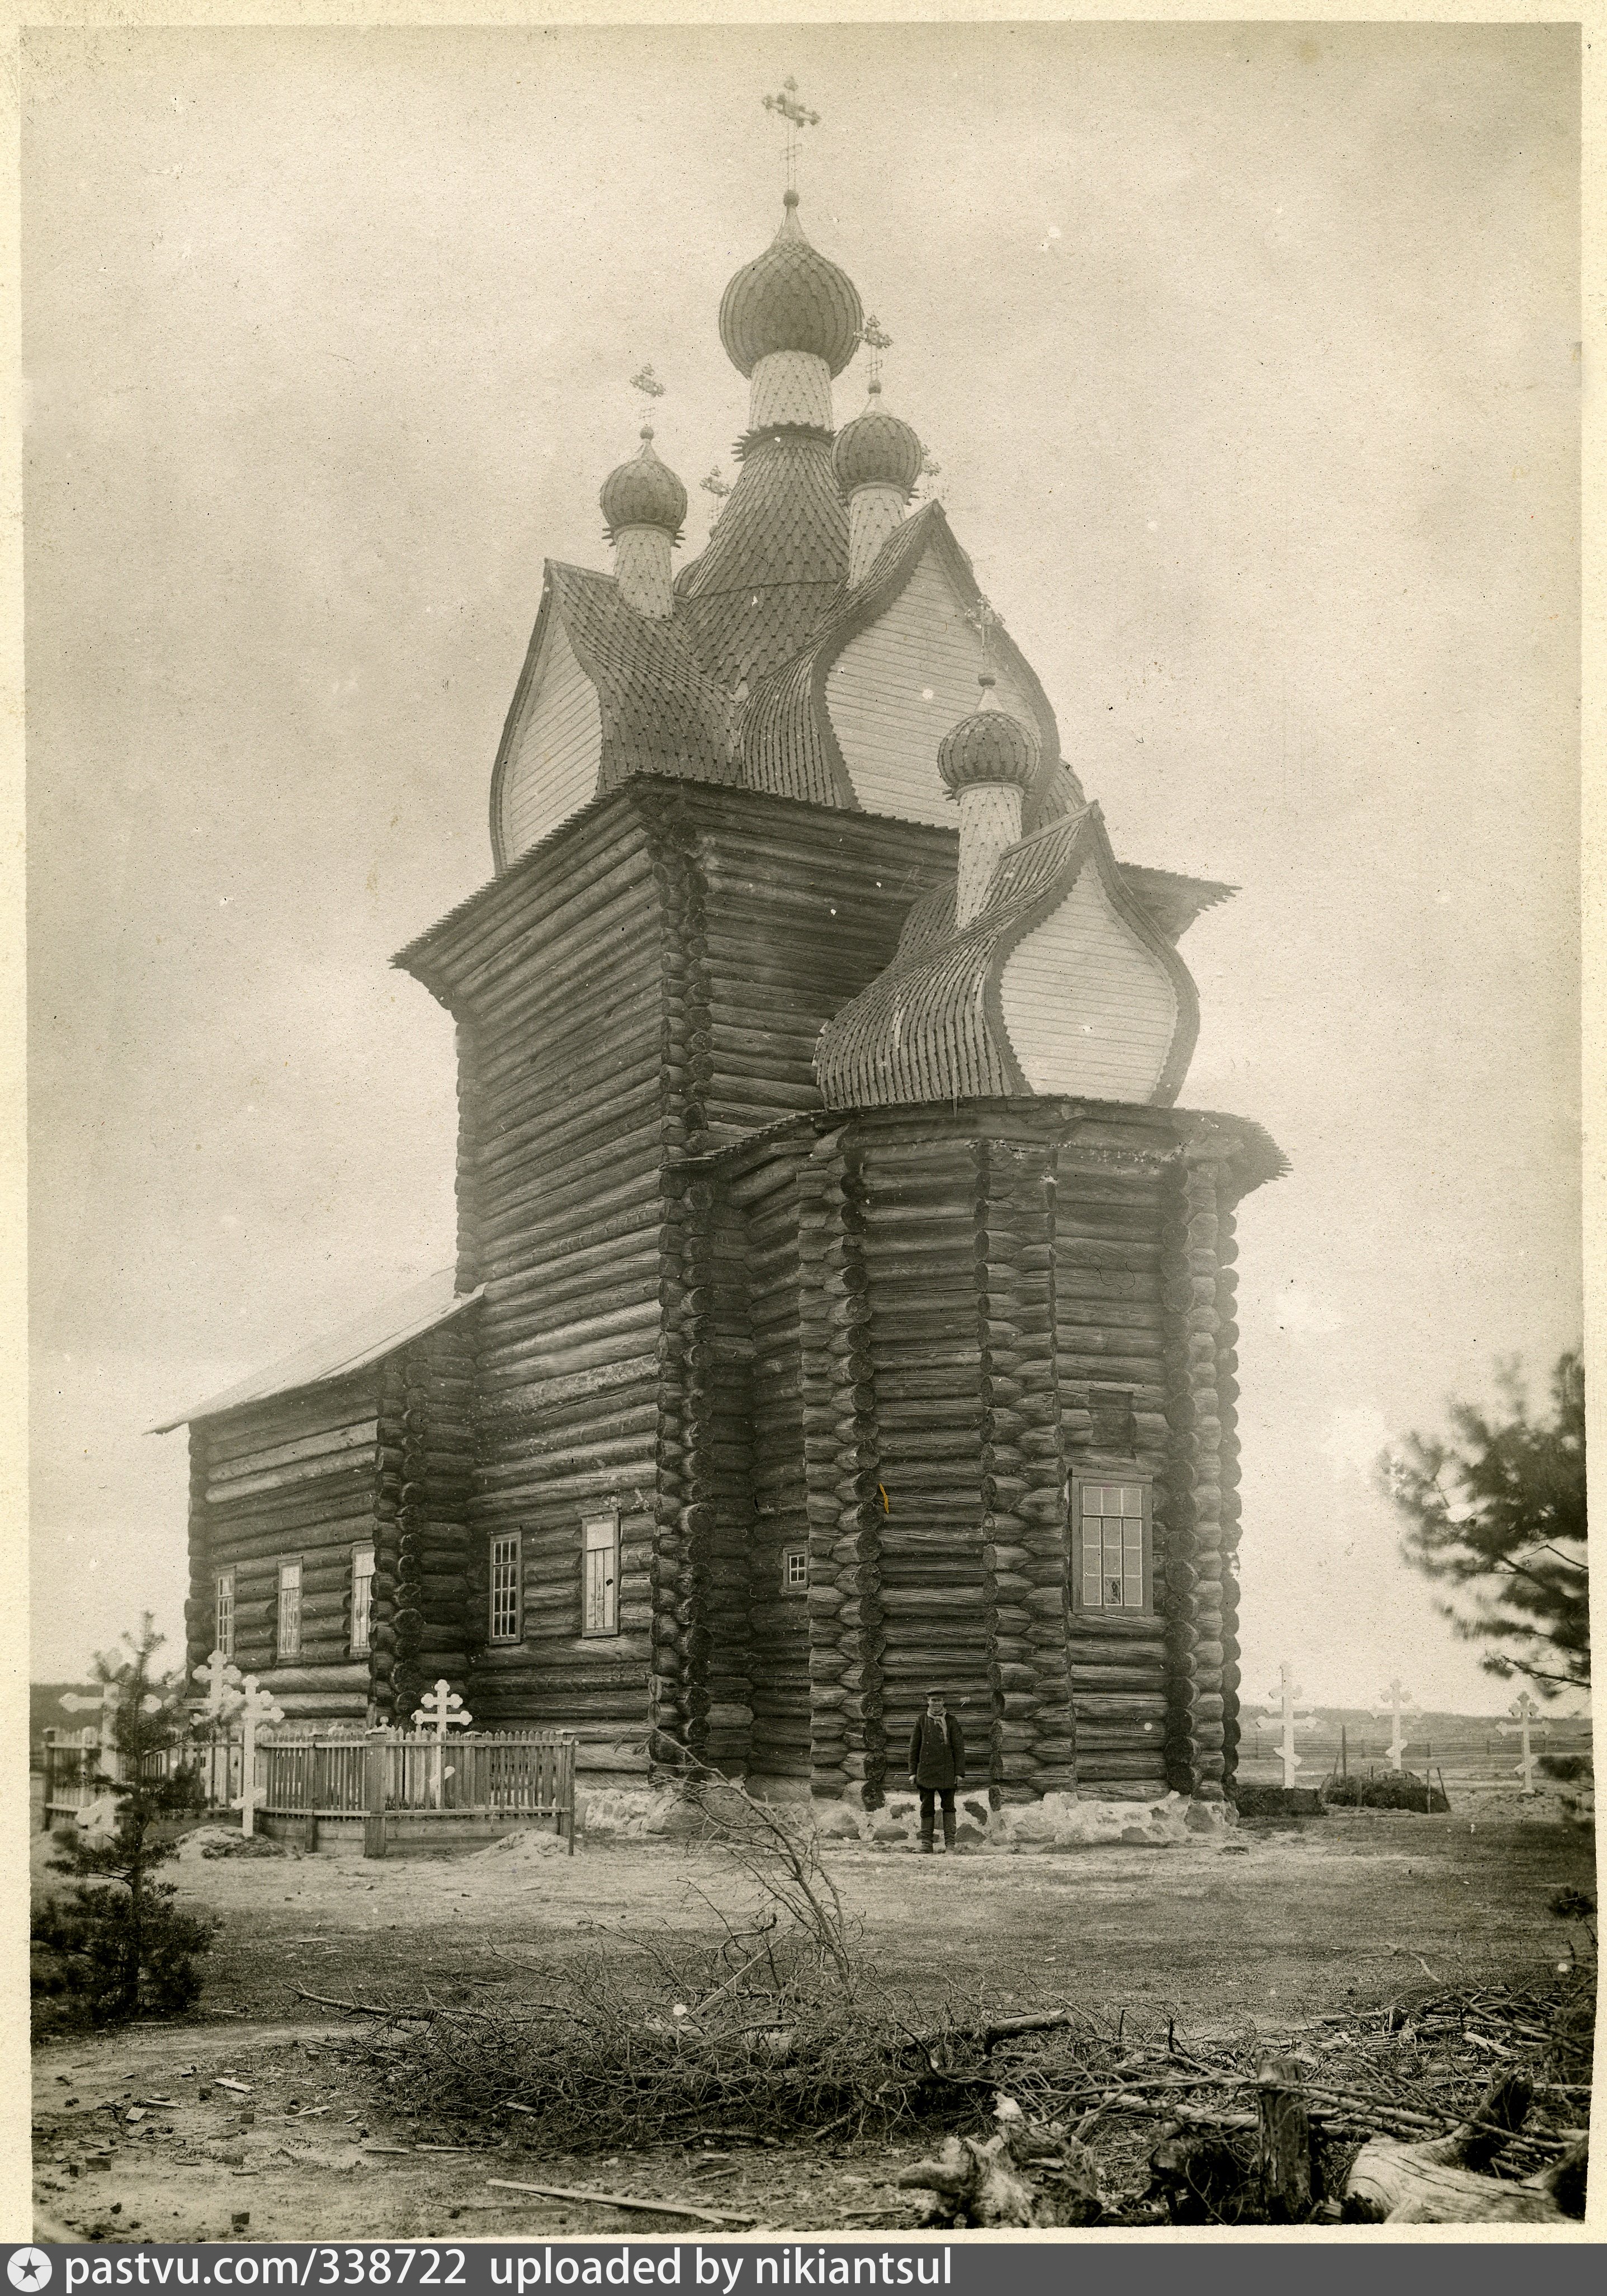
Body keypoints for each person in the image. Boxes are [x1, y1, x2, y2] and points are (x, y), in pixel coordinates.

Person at [907, 1690, 966, 1853]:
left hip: (947, 1772)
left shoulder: (952, 1721)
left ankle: (950, 1846)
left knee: (949, 1807)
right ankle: (926, 1845)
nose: (936, 1703)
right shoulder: (921, 1721)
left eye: (939, 1700)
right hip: (925, 1772)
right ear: (928, 1701)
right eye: (933, 1700)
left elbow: (959, 1749)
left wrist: (959, 1773)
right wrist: (913, 1772)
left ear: (944, 1702)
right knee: (927, 1808)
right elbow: (914, 1748)